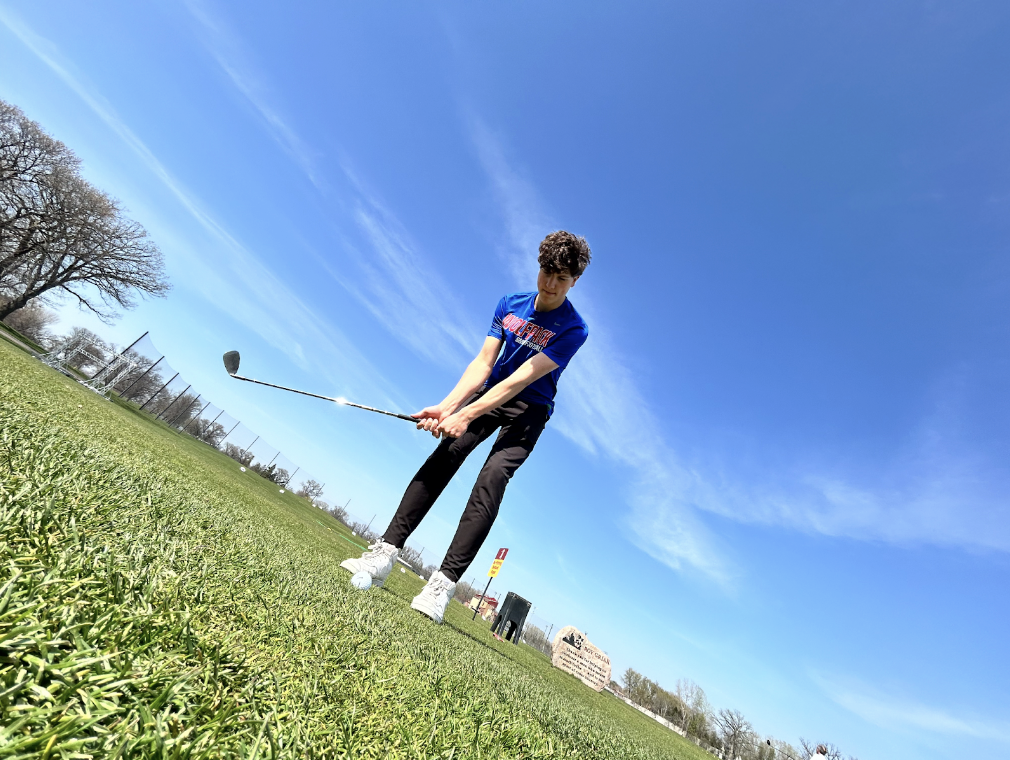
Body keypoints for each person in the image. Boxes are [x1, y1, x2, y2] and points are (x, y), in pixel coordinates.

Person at [340, 230, 591, 623]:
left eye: (562, 278)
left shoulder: (574, 328)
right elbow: (484, 364)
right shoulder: (510, 305)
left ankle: (442, 584)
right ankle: (385, 553)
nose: (551, 283)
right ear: (538, 266)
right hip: (490, 394)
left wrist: (467, 414)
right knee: (446, 454)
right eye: (547, 272)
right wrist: (446, 406)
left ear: (575, 281)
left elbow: (521, 378)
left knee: (492, 478)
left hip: (528, 410)